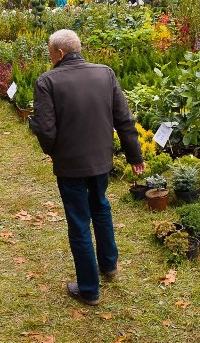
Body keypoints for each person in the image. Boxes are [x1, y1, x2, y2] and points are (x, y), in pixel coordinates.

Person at [29, 30, 144, 305]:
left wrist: (54, 152)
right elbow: (124, 120)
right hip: (101, 160)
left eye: (49, 51)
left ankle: (89, 289)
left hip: (70, 165)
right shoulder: (105, 73)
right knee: (101, 206)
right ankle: (109, 264)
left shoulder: (47, 81)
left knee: (80, 221)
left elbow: (45, 129)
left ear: (59, 53)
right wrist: (135, 156)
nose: (49, 56)